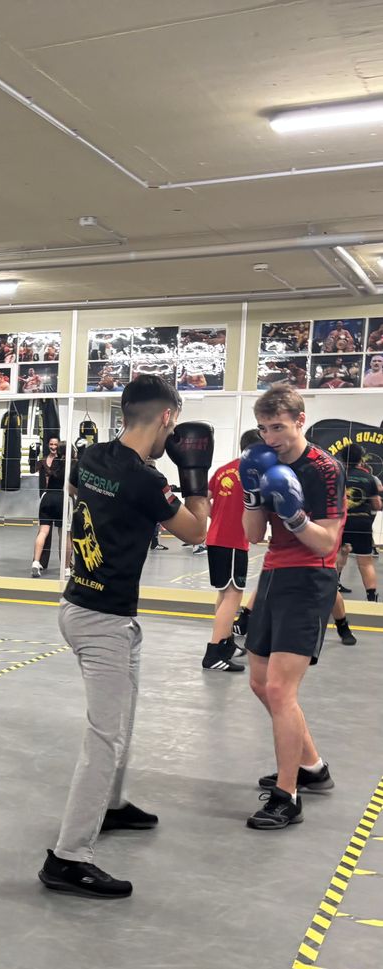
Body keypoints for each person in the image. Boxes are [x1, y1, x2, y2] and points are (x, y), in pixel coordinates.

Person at [39, 375, 210, 898]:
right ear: (167, 418)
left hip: (82, 605)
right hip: (102, 622)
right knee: (104, 736)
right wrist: (194, 476)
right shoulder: (145, 481)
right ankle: (68, 858)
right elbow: (197, 530)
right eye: (173, 426)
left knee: (122, 722)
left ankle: (110, 806)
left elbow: (78, 490)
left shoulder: (92, 456)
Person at [238, 384, 346, 829]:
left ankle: (288, 795)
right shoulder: (263, 461)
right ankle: (312, 767)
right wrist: (252, 493)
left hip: (310, 578)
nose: (270, 437)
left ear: (300, 421)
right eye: (263, 428)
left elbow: (327, 543)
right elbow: (252, 535)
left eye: (278, 427)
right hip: (273, 574)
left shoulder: (324, 469)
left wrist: (295, 515)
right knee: (259, 684)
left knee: (281, 690)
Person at [201, 429, 262, 672]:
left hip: (215, 539)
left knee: (224, 593)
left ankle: (225, 642)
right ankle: (214, 652)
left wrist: (215, 516)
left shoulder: (224, 469)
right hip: (233, 541)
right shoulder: (253, 474)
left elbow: (204, 497)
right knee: (233, 595)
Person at [338, 443, 381, 602]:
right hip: (362, 522)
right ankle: (371, 597)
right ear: (360, 459)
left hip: (341, 522)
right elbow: (376, 505)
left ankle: (332, 589)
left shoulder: (337, 475)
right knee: (365, 562)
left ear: (343, 458)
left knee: (340, 553)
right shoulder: (369, 478)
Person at [31, 436, 64, 575]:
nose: (53, 446)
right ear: (48, 445)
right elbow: (32, 470)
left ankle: (66, 564)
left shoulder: (63, 461)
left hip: (56, 496)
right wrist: (32, 454)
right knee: (48, 532)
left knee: (56, 532)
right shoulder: (44, 461)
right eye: (51, 444)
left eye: (56, 444)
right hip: (47, 496)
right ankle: (40, 563)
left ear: (59, 446)